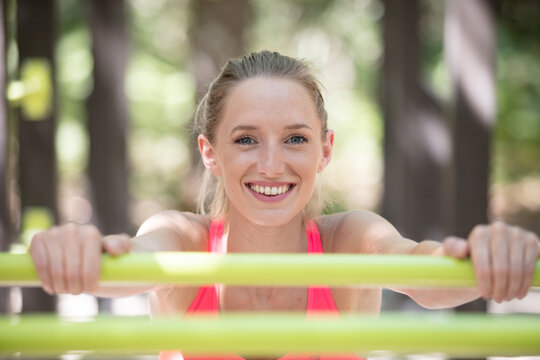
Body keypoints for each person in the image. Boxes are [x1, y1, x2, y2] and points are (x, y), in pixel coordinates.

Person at [29, 51, 539, 359]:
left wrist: (483, 256)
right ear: (210, 152)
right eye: (246, 139)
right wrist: (82, 253)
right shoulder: (182, 238)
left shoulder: (350, 241)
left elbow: (422, 272)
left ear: (325, 151)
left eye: (295, 139)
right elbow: (129, 265)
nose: (272, 165)